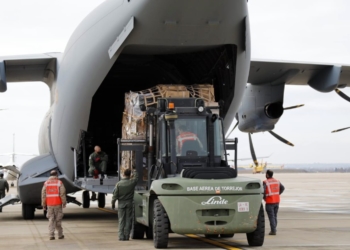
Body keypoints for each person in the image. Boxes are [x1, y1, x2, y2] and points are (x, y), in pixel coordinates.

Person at [111, 167, 139, 241]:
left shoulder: (118, 184)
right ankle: (126, 236)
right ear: (130, 175)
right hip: (129, 203)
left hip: (121, 204)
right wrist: (134, 170)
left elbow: (115, 196)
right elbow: (136, 178)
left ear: (123, 174)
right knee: (128, 220)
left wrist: (113, 204)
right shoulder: (132, 182)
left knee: (121, 220)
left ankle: (121, 236)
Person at [41, 170, 67, 240]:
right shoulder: (59, 183)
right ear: (57, 175)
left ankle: (51, 235)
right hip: (58, 204)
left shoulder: (46, 183)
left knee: (51, 219)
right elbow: (62, 194)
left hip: (49, 204)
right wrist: (64, 203)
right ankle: (60, 235)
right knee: (58, 219)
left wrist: (44, 204)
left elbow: (43, 195)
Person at [263, 169, 285, 235]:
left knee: (271, 217)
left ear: (267, 174)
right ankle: (274, 229)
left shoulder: (265, 182)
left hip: (269, 201)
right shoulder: (277, 181)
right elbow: (283, 188)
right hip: (277, 201)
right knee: (274, 216)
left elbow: (263, 191)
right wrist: (278, 194)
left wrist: (264, 198)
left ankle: (273, 230)